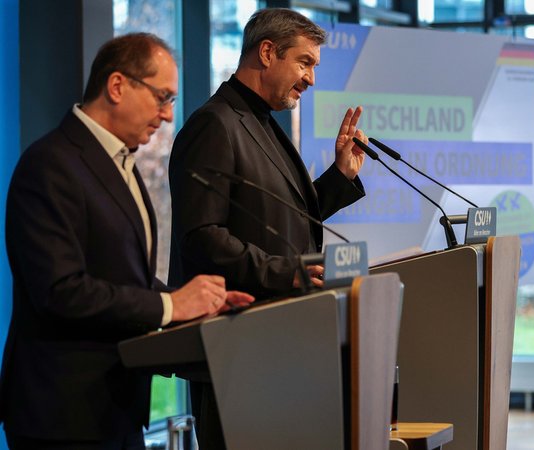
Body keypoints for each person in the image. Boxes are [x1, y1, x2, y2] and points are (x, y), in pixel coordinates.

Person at [0, 33, 254, 449]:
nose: (168, 115)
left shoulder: (120, 162)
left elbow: (123, 277)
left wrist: (191, 303)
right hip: (62, 416)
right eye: (162, 97)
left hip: (117, 408)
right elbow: (60, 291)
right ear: (117, 86)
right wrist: (171, 305)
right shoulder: (49, 165)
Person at [168, 8, 367, 449]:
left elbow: (279, 218)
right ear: (267, 52)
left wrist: (339, 179)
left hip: (275, 340)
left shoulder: (259, 121)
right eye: (304, 63)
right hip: (235, 345)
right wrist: (288, 273)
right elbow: (201, 236)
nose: (311, 79)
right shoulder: (214, 124)